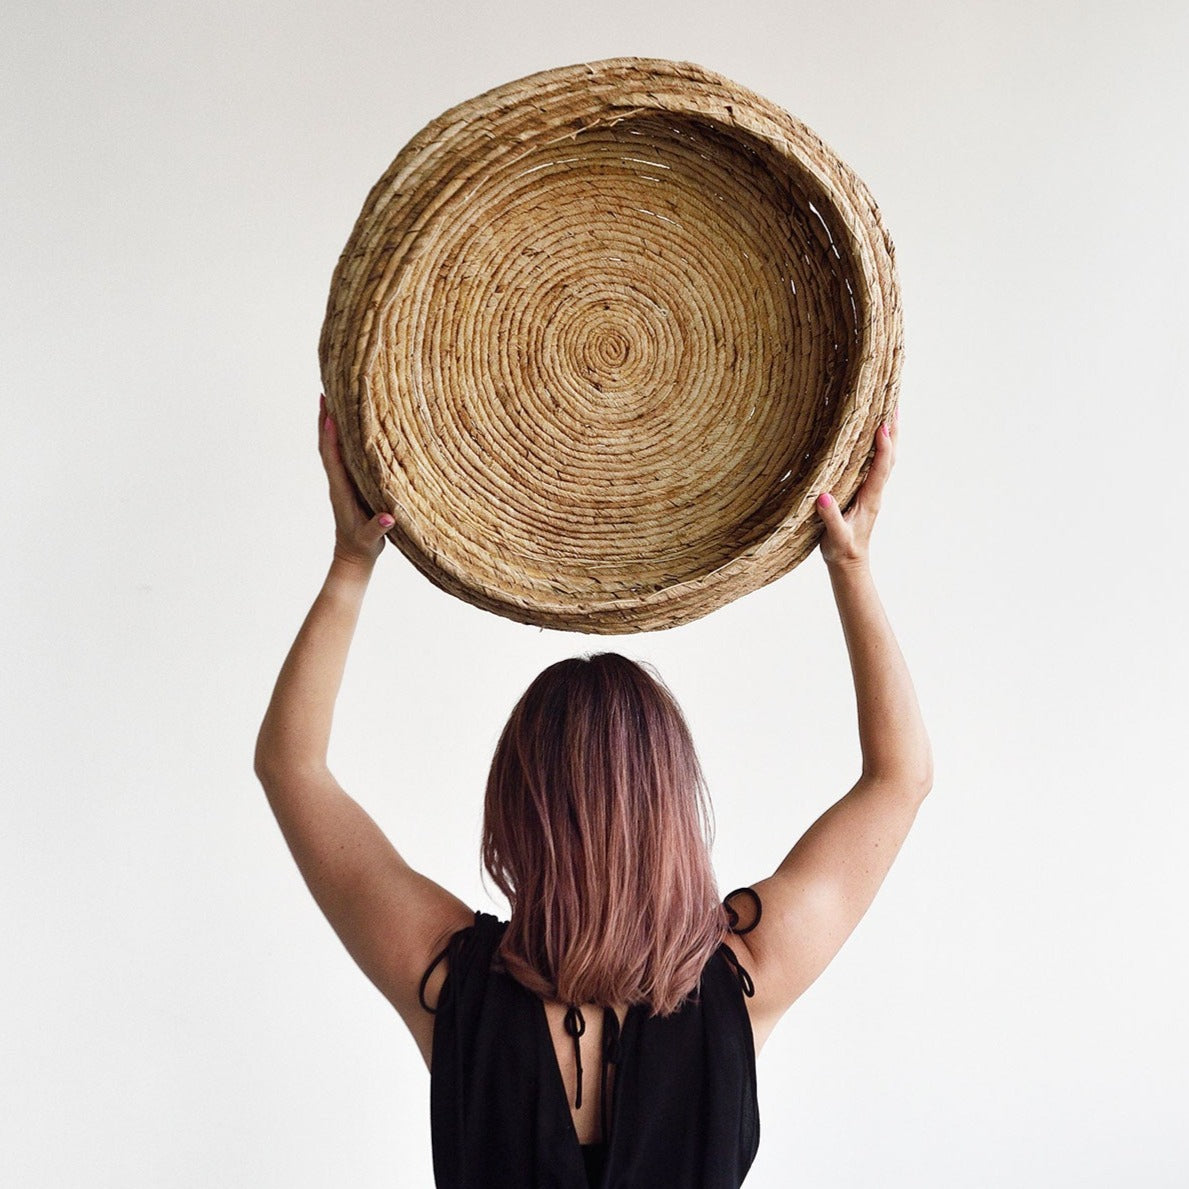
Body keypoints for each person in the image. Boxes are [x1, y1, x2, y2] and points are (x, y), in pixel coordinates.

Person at [254, 397, 932, 1188]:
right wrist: (848, 564)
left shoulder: (449, 983)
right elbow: (900, 777)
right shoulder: (744, 973)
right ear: (673, 812)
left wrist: (349, 564)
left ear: (514, 814)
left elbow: (291, 765)